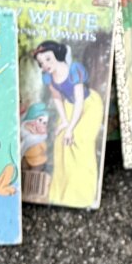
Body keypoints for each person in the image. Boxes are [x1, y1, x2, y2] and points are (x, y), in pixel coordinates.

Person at [33, 40, 103, 207]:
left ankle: (84, 194)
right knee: (60, 141)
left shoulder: (74, 70)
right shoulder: (48, 76)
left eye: (48, 59)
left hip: (88, 105)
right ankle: (63, 193)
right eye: (41, 62)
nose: (45, 64)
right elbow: (57, 98)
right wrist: (64, 121)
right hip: (69, 106)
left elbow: (80, 100)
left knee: (79, 139)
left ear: (57, 55)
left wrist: (71, 128)